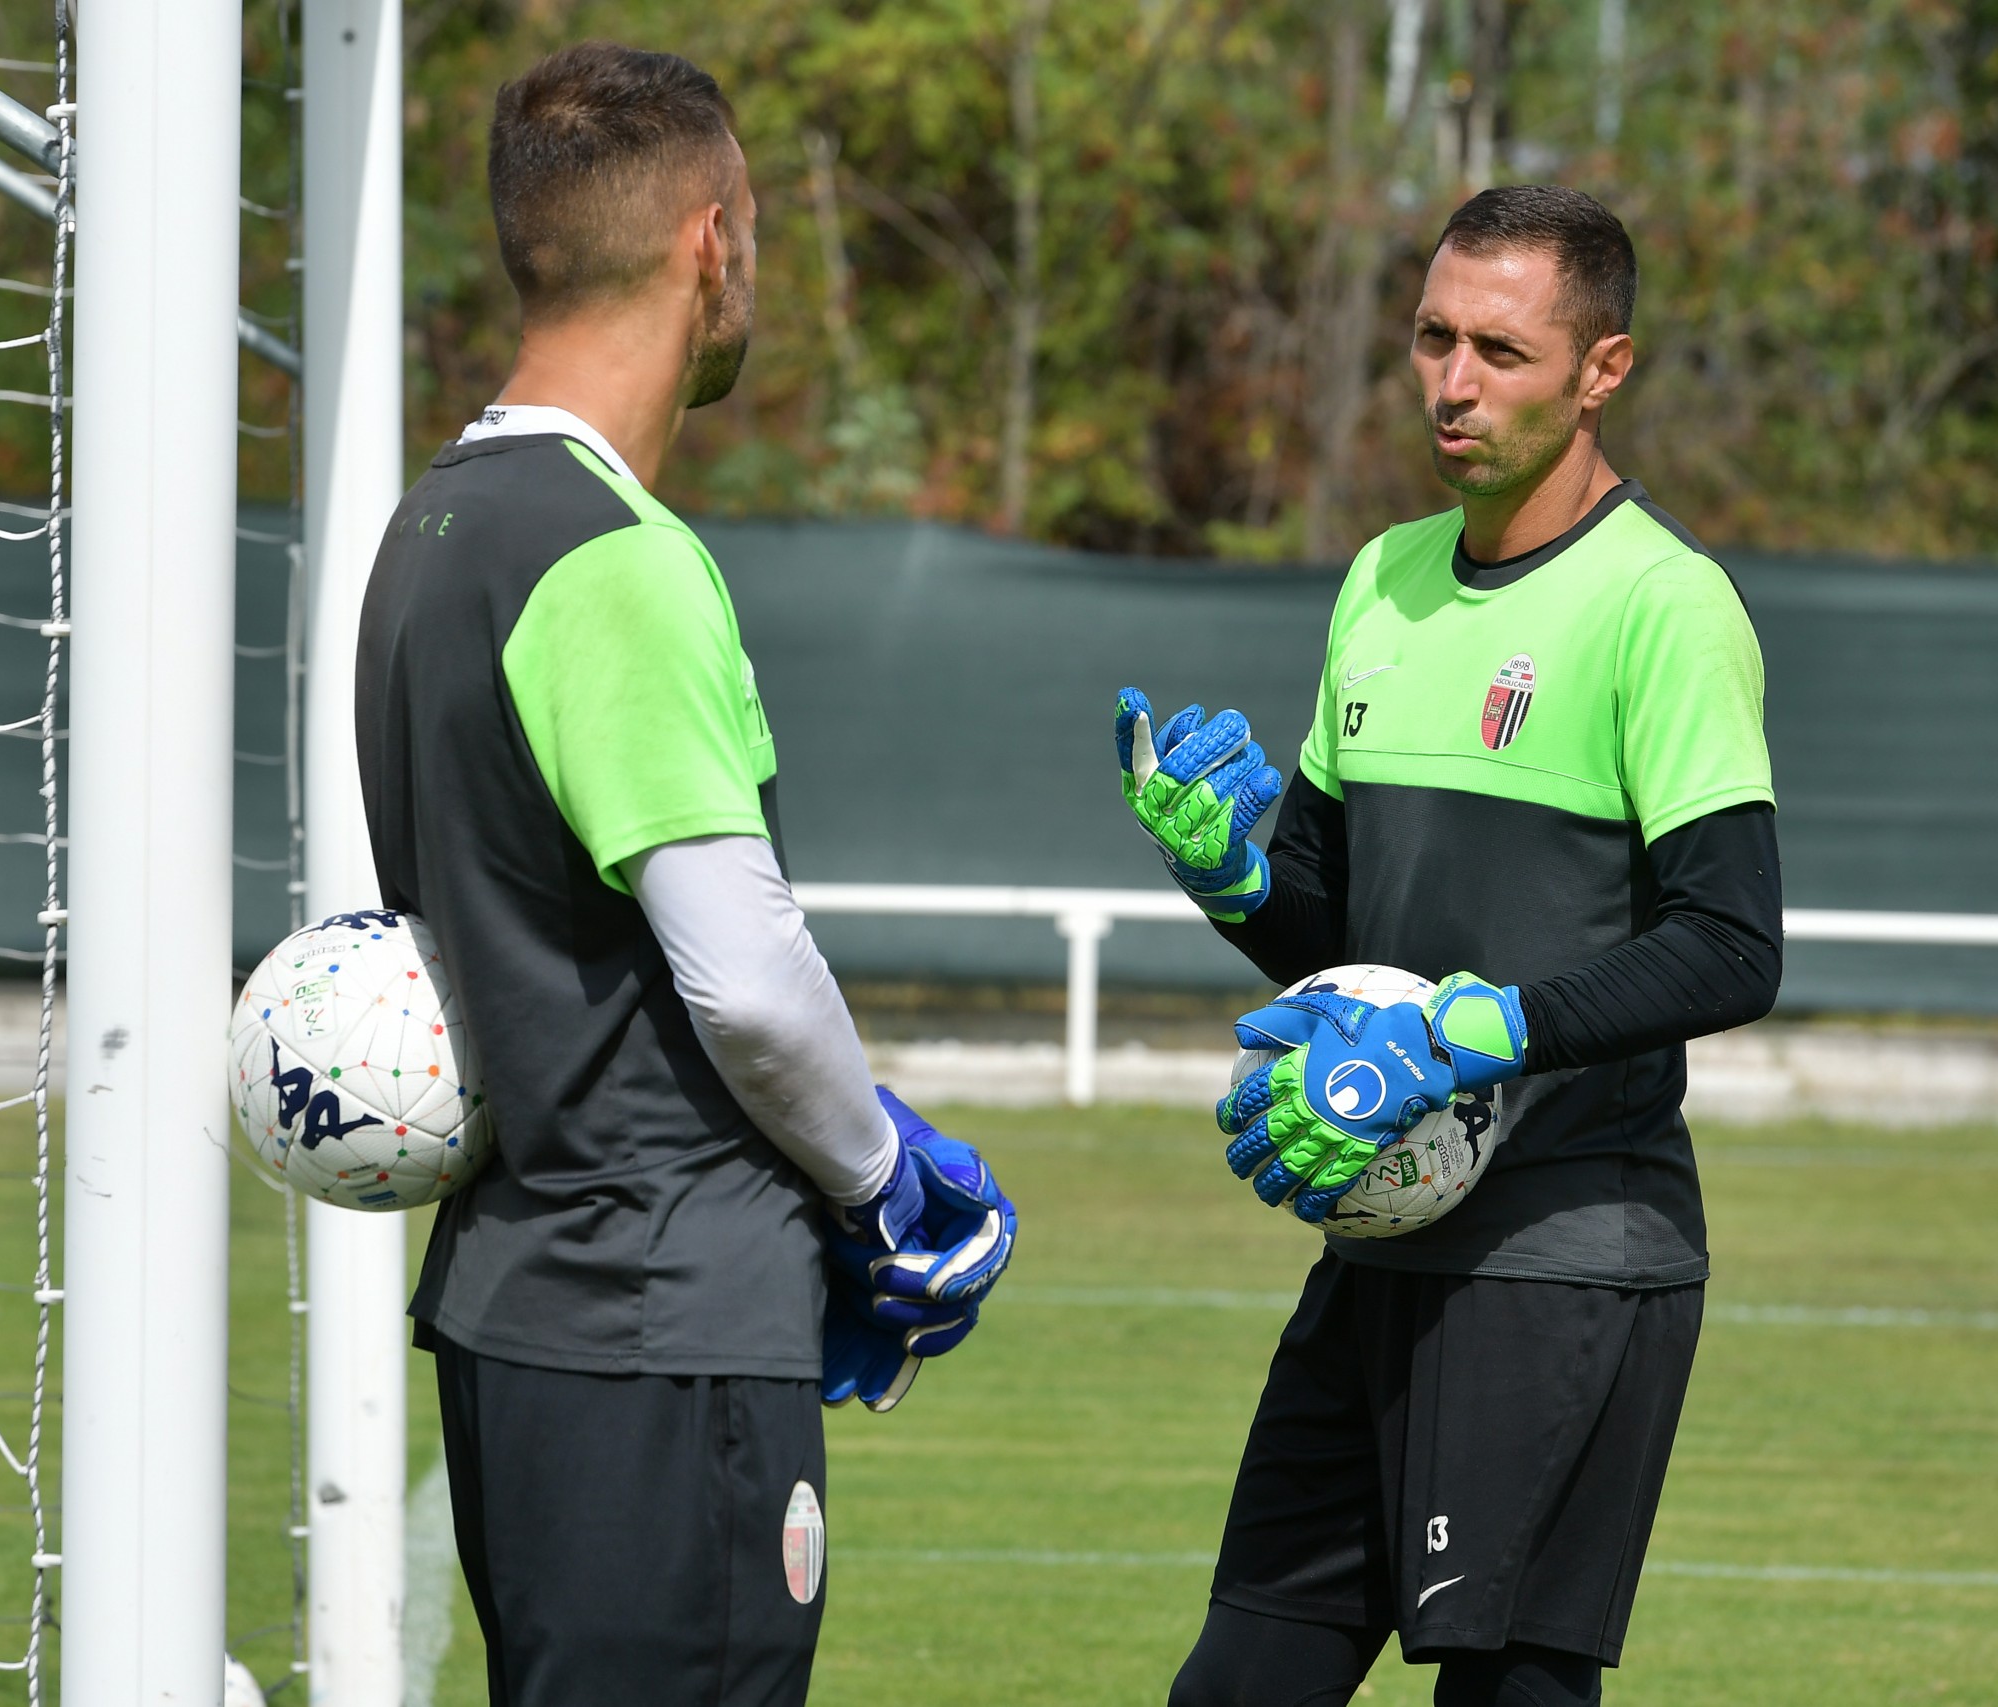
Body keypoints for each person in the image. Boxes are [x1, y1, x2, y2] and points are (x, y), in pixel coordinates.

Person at [352, 42, 1014, 1707]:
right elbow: (742, 973)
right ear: (712, 242)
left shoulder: (431, 527)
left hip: (528, 1308)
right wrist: (883, 1189)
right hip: (661, 1320)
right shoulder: (614, 560)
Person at [1122, 185, 1781, 1707]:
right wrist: (1225, 874)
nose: (1454, 384)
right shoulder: (1383, 579)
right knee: (1233, 1687)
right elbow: (1330, 932)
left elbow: (1733, 948)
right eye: (1432, 339)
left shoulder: (1665, 608)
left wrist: (1473, 1037)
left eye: (1502, 348)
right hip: (1380, 1244)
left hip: (1566, 1255)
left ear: (1602, 371)